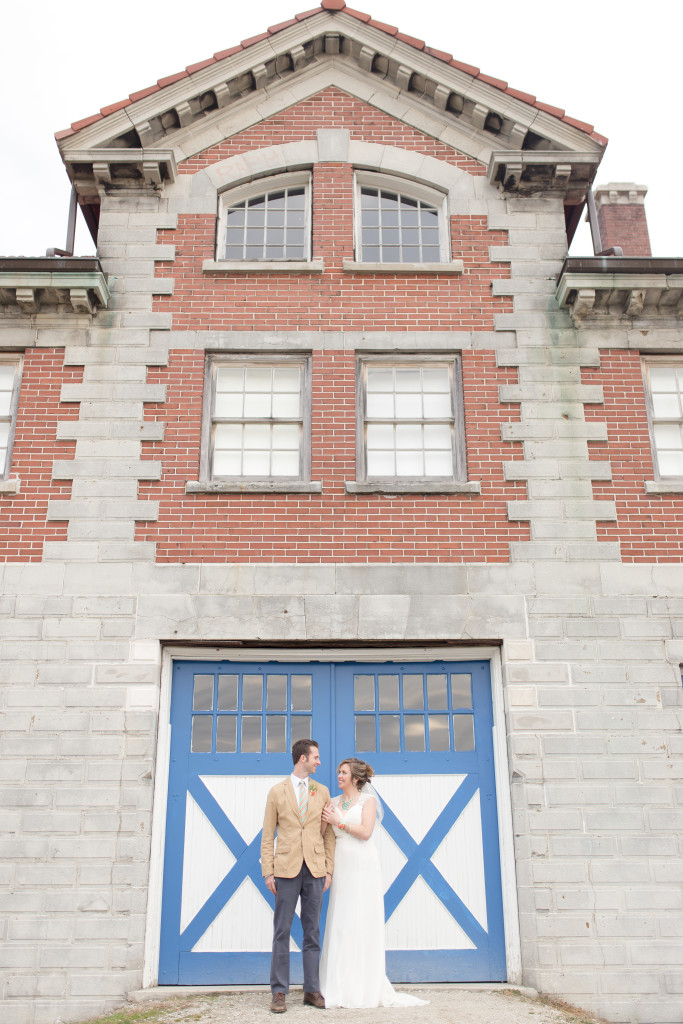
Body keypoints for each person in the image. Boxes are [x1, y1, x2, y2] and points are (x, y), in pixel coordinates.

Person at [319, 758, 428, 1009]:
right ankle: (336, 984)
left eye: (343, 772)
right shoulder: (332, 803)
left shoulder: (368, 802)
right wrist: (326, 821)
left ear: (356, 778)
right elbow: (323, 833)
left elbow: (366, 832)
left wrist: (339, 822)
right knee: (341, 920)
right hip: (341, 863)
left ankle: (363, 986)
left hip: (363, 864)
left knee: (362, 920)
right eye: (338, 772)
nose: (338, 775)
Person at [261, 738, 335, 1014]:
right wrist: (268, 870)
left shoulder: (322, 791)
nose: (319, 761)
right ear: (302, 758)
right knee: (281, 930)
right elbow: (268, 834)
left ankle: (311, 990)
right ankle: (279, 992)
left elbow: (328, 835)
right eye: (315, 757)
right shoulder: (276, 792)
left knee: (312, 931)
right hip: (285, 869)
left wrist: (328, 868)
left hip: (315, 869)